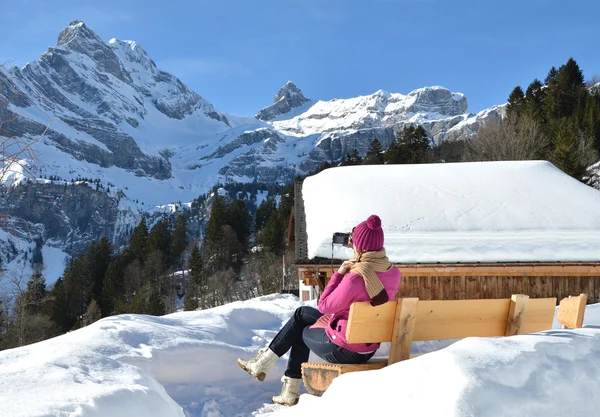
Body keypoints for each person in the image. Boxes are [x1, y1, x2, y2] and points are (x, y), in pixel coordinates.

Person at [237, 214, 401, 406]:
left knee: (300, 331)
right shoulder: (393, 272)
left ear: (359, 247)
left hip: (344, 348)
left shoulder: (355, 277)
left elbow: (324, 305)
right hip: (368, 346)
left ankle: (280, 380)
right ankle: (266, 366)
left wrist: (339, 275)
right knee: (301, 314)